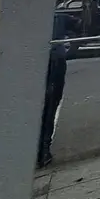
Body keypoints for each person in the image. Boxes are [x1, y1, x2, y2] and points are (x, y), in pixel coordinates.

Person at [38, 13, 74, 168]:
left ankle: (42, 149)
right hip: (54, 59)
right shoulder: (59, 16)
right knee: (50, 105)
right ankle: (43, 150)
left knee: (48, 105)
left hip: (48, 58)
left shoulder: (56, 16)